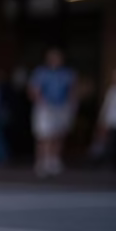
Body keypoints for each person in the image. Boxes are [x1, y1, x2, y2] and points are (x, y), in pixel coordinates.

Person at [28, 47, 77, 177]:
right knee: (44, 135)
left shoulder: (67, 73)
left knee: (58, 134)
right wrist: (41, 102)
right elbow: (34, 90)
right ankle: (42, 161)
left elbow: (72, 90)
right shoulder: (41, 72)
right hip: (45, 107)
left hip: (61, 106)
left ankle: (54, 160)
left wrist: (72, 105)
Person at [94, 66, 116, 170]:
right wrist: (102, 120)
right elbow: (106, 107)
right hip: (112, 122)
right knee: (111, 144)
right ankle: (111, 163)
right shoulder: (112, 91)